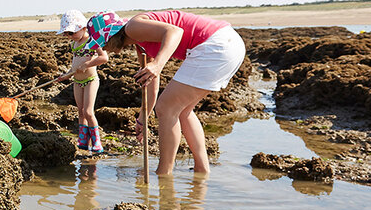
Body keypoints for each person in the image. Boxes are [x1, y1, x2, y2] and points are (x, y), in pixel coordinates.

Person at [67, 10, 245, 176]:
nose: (104, 49)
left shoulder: (132, 27)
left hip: (215, 45)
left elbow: (175, 32)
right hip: (227, 44)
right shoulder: (140, 43)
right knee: (183, 111)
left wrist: (158, 63)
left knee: (167, 109)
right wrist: (143, 116)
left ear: (111, 35)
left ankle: (164, 174)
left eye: (102, 43)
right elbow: (151, 80)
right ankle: (202, 170)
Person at [58, 10, 103, 153]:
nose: (69, 36)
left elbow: (104, 58)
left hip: (91, 80)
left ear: (83, 28)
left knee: (88, 111)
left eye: (71, 33)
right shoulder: (74, 43)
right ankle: (83, 140)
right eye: (67, 34)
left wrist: (87, 65)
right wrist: (67, 75)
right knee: (81, 112)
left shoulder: (92, 41)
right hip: (77, 81)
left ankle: (96, 141)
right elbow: (74, 64)